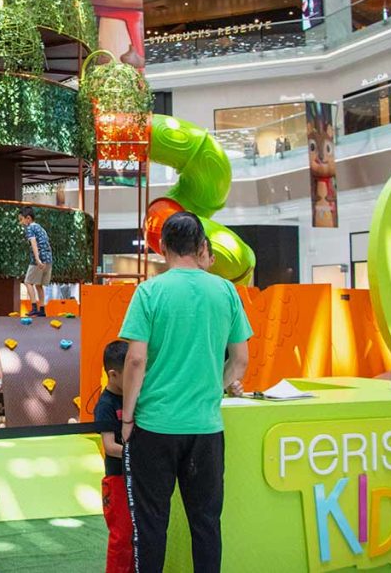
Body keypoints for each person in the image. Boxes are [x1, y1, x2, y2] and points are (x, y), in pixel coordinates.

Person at [119, 211, 252, 573]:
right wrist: (212, 387)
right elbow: (240, 360)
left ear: (163, 248)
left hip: (154, 427)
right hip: (206, 429)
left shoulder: (148, 292)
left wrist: (128, 417)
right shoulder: (226, 290)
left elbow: (135, 361)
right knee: (206, 524)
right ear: (202, 247)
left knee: (150, 525)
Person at [94, 340, 134, 573]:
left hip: (136, 477)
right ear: (113, 374)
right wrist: (137, 454)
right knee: (121, 535)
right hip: (117, 479)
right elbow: (109, 446)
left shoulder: (133, 395)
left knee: (136, 535)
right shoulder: (106, 405)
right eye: (129, 374)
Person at [18, 206, 52, 317]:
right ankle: (42, 309)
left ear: (28, 218)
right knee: (39, 285)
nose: (21, 222)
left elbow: (33, 243)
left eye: (21, 219)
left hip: (39, 259)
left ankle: (34, 307)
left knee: (28, 282)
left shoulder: (30, 228)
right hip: (48, 259)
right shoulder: (40, 228)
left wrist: (37, 259)